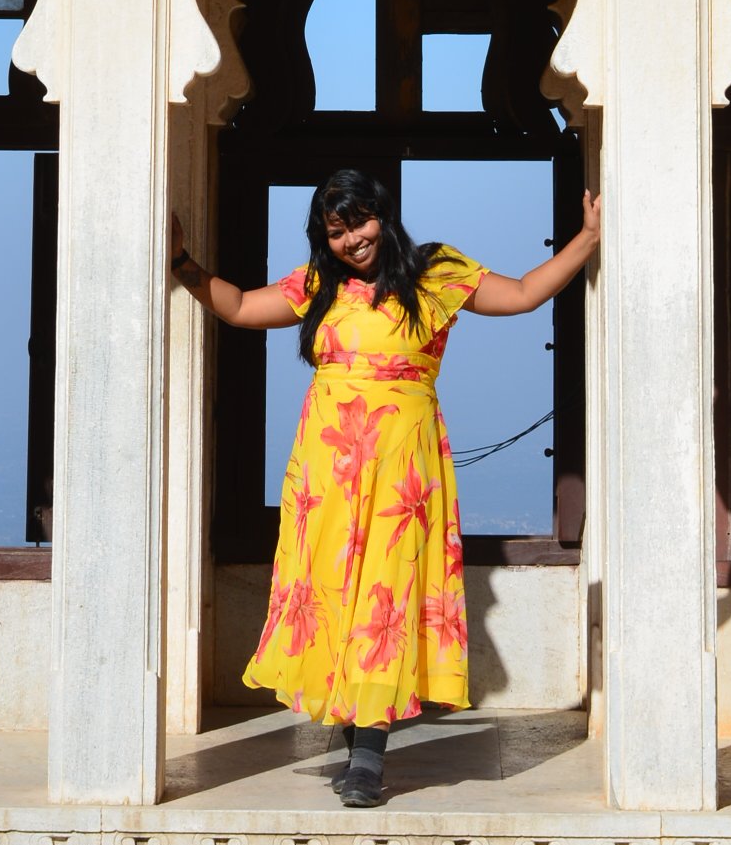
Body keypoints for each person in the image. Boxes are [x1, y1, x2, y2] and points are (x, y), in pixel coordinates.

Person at [169, 167, 601, 808]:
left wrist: (588, 238)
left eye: (360, 222)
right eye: (336, 231)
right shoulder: (318, 286)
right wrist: (181, 261)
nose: (353, 240)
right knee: (336, 596)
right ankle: (357, 748)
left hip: (403, 475)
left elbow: (523, 293)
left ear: (383, 214)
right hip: (327, 472)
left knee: (384, 601)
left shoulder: (435, 273)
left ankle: (367, 759)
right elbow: (237, 307)